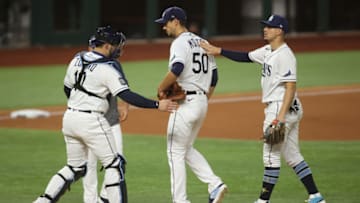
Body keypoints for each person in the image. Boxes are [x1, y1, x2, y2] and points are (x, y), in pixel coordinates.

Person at [33, 25, 177, 203]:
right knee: (115, 165)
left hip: (69, 118)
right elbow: (126, 95)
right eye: (116, 45)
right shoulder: (107, 68)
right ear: (108, 46)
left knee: (74, 168)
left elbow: (67, 88)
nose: (118, 49)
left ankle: (42, 201)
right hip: (92, 121)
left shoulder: (77, 59)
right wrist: (157, 105)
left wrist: (81, 103)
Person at [200, 15, 326, 203]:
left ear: (280, 30)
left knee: (270, 157)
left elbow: (290, 87)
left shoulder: (285, 55)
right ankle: (316, 196)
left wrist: (280, 118)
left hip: (279, 108)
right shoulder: (268, 50)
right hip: (288, 109)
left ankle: (262, 201)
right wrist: (218, 50)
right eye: (265, 26)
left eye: (270, 27)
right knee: (292, 155)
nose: (265, 29)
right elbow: (246, 57)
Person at [155, 6, 227, 203]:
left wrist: (161, 88)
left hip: (185, 105)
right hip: (201, 102)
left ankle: (181, 200)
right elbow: (214, 77)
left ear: (176, 21)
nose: (164, 28)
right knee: (185, 148)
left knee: (174, 152)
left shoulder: (179, 43)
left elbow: (177, 68)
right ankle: (215, 184)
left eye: (166, 23)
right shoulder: (203, 42)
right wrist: (203, 99)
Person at [82, 35, 129, 203]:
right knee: (90, 164)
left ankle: (104, 197)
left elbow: (124, 86)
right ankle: (90, 200)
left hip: (112, 121)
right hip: (91, 123)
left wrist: (125, 105)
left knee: (118, 162)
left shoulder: (113, 65)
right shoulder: (82, 65)